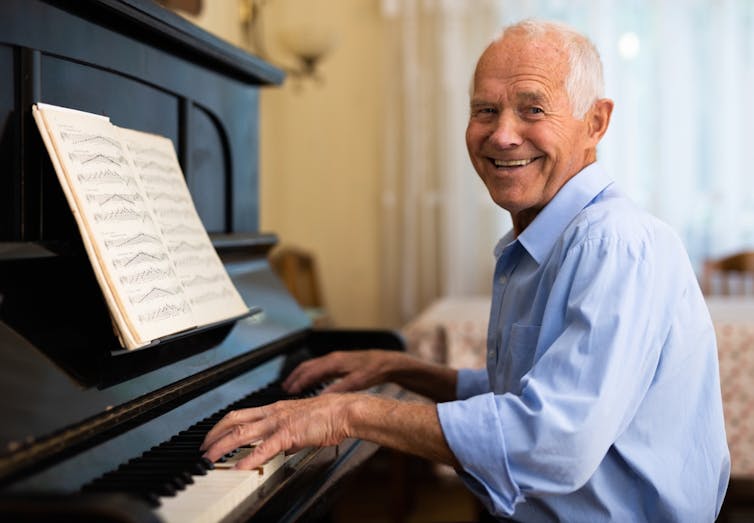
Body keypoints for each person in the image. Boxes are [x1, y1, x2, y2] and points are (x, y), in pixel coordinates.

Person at [201, 19, 730, 521]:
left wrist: (347, 413)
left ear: (595, 123)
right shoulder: (547, 236)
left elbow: (553, 440)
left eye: (532, 109)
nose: (502, 135)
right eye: (484, 110)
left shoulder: (613, 242)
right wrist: (402, 369)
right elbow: (534, 393)